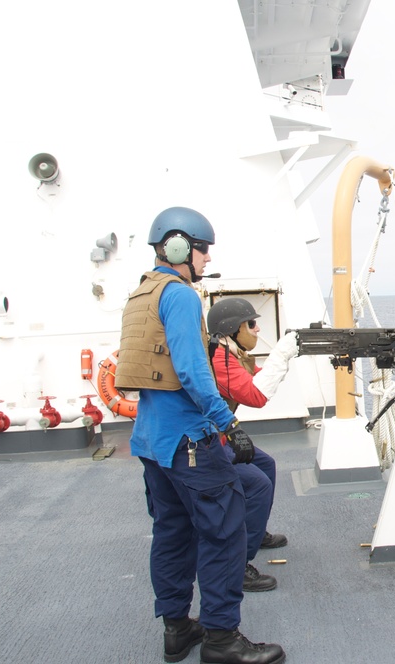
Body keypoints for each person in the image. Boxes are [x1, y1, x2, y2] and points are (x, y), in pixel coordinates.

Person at [115, 206, 285, 664]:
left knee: (171, 533)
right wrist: (227, 424)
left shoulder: (141, 295)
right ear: (178, 246)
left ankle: (177, 629)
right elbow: (192, 371)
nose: (207, 259)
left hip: (152, 443)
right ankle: (222, 640)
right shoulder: (182, 296)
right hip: (189, 441)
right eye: (203, 248)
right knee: (225, 532)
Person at [205, 298, 299, 593]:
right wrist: (282, 353)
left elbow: (257, 379)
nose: (257, 329)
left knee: (265, 464)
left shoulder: (233, 353)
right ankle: (240, 564)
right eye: (251, 324)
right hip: (208, 443)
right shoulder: (219, 359)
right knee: (257, 484)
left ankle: (255, 534)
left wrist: (286, 358)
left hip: (220, 437)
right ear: (232, 329)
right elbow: (256, 396)